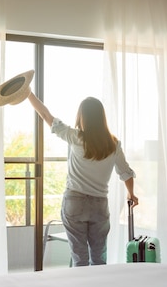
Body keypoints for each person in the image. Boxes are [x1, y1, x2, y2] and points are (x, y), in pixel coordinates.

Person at [27, 92, 138, 267]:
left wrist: (27, 93)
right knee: (99, 258)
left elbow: (45, 115)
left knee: (79, 257)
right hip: (99, 206)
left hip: (75, 203)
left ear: (82, 117)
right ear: (102, 118)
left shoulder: (75, 137)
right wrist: (131, 194)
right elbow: (126, 172)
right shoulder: (113, 144)